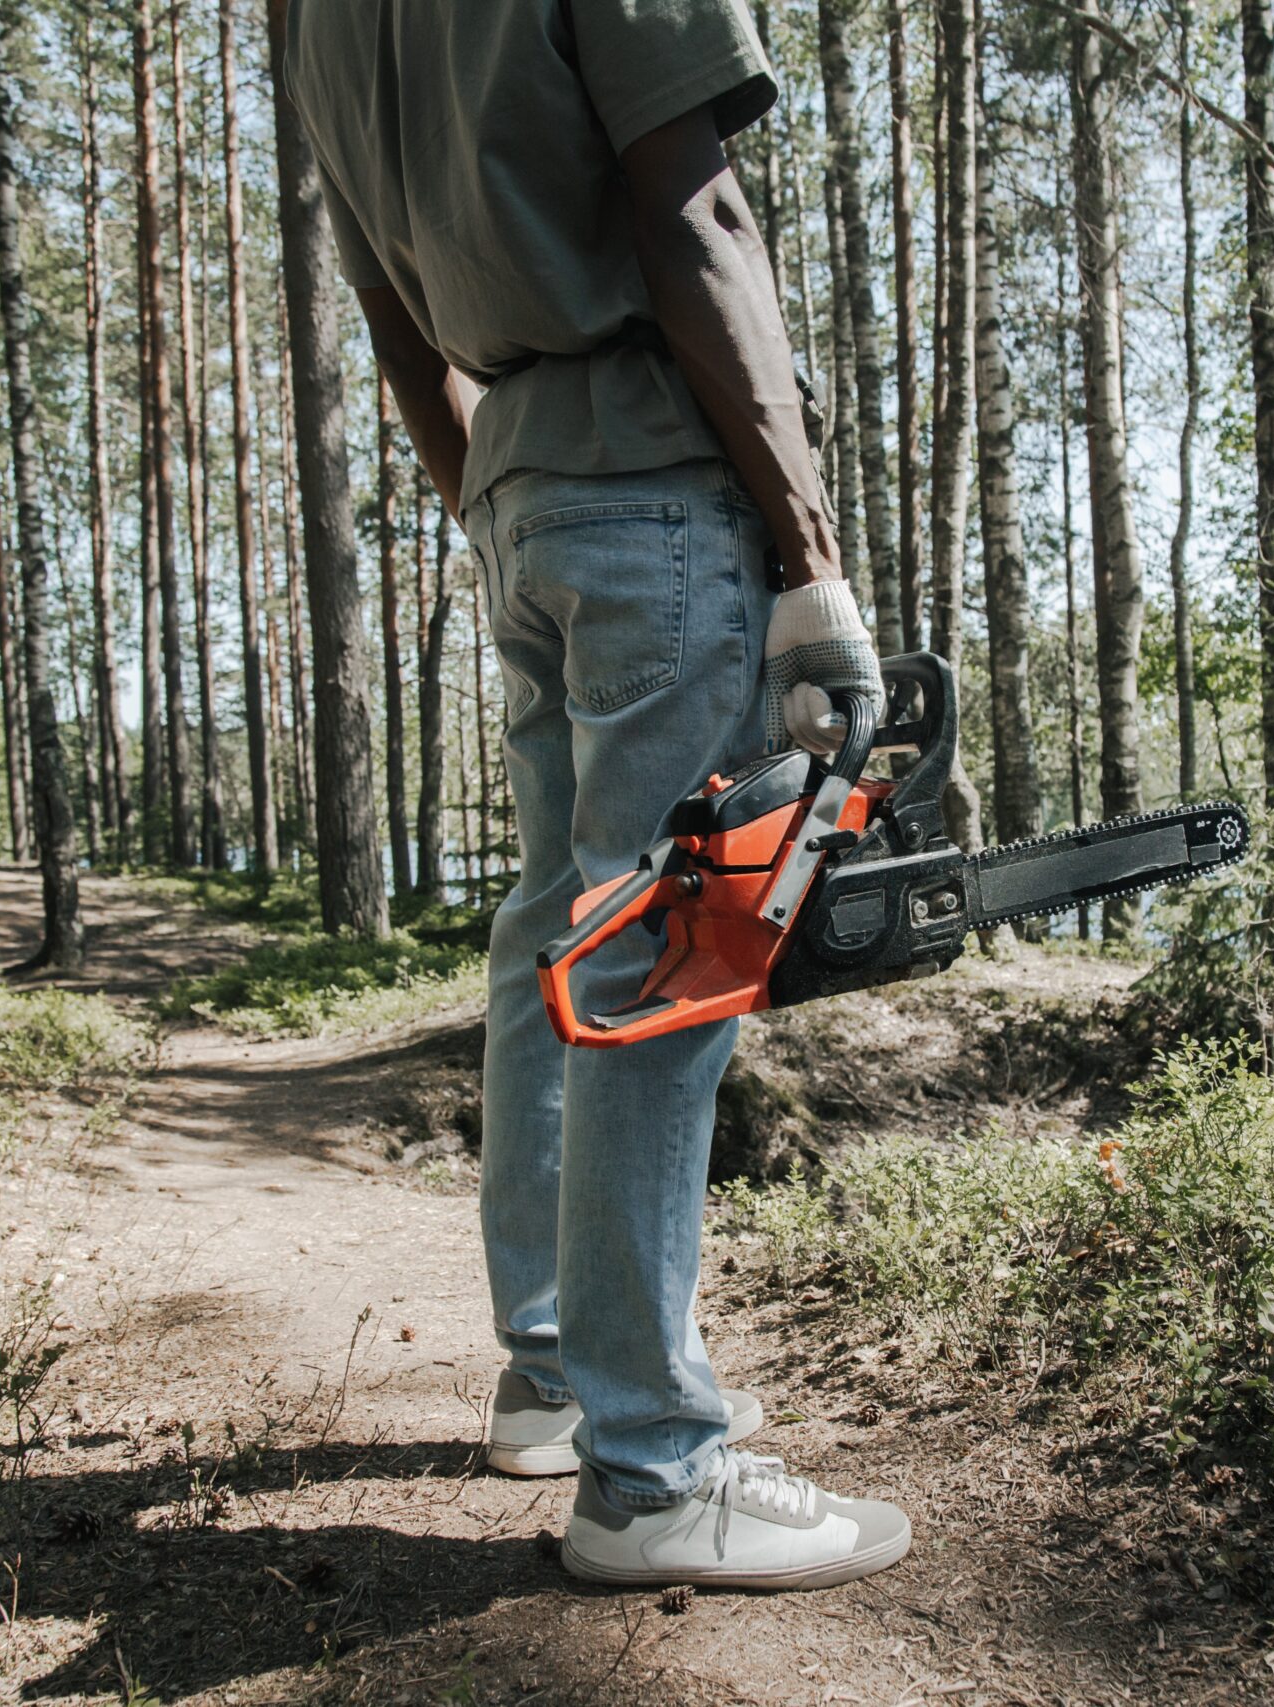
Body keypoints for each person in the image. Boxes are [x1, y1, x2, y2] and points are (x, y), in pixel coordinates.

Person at [278, 0, 911, 1590]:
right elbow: (692, 204)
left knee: (560, 931)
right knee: (657, 958)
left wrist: (499, 509)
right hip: (654, 482)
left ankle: (557, 1373)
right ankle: (652, 1470)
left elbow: (391, 312)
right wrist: (814, 558)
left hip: (523, 486)